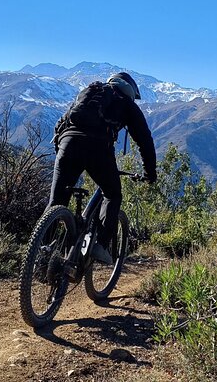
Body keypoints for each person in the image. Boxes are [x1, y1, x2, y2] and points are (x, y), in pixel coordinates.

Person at [48, 72, 156, 264]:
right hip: (98, 148)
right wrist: (150, 173)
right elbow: (145, 140)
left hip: (68, 143)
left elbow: (61, 123)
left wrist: (61, 152)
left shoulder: (89, 94)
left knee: (57, 201)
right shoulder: (126, 103)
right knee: (112, 194)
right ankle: (100, 244)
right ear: (130, 90)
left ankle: (41, 251)